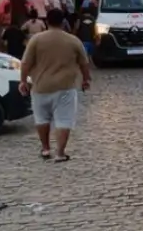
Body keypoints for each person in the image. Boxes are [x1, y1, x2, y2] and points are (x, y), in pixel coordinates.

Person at [19, 10, 91, 162]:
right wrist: (85, 80)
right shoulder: (73, 40)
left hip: (40, 86)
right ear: (63, 21)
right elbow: (84, 63)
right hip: (65, 86)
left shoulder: (36, 40)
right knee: (64, 120)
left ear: (47, 22)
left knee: (41, 118)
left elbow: (25, 63)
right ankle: (60, 153)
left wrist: (23, 81)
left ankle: (45, 149)